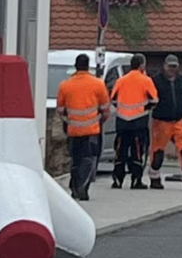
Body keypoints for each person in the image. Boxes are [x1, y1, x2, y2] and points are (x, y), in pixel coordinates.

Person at [55, 53, 111, 201]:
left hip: (73, 130)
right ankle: (83, 188)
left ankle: (74, 188)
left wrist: (69, 121)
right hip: (92, 131)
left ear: (76, 66)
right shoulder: (98, 84)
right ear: (88, 66)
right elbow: (106, 109)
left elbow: (60, 110)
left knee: (75, 159)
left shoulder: (65, 85)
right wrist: (99, 121)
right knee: (88, 159)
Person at [148, 54, 182, 190]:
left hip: (178, 120)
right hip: (161, 121)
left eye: (174, 67)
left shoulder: (181, 80)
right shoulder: (155, 80)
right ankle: (154, 177)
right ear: (164, 66)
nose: (172, 69)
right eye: (170, 66)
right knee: (158, 151)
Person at [109, 53, 158, 190]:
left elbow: (113, 99)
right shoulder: (146, 80)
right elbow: (154, 100)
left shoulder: (121, 80)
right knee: (137, 151)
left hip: (122, 122)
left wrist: (123, 110)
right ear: (142, 64)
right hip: (139, 121)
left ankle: (117, 180)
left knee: (120, 151)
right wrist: (145, 108)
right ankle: (136, 180)